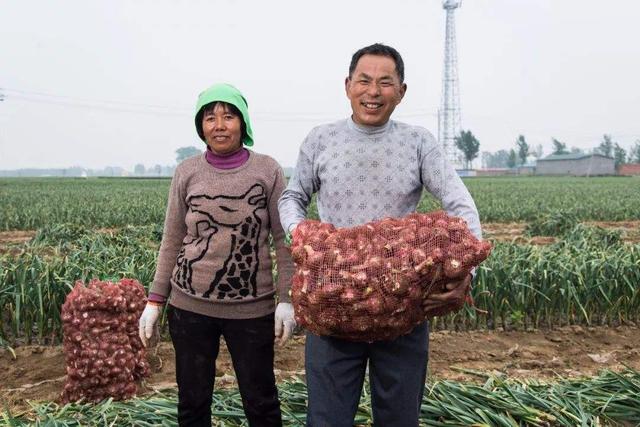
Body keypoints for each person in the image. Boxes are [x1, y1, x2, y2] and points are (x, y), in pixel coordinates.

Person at [278, 43, 482, 426]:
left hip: (403, 307)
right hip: (334, 303)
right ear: (347, 86)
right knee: (326, 420)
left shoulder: (419, 142)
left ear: (401, 91)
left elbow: (460, 205)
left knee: (399, 420)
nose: (373, 92)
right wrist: (301, 231)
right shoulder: (321, 139)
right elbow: (293, 197)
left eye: (385, 83)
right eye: (364, 81)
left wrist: (467, 272)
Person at [138, 83, 295, 427]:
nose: (219, 125)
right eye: (210, 118)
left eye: (228, 116)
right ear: (201, 126)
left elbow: (285, 239)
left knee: (262, 402)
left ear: (243, 123)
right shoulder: (187, 171)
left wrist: (286, 298)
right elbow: (173, 238)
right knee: (192, 404)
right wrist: (154, 300)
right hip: (190, 309)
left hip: (252, 310)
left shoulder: (267, 171)